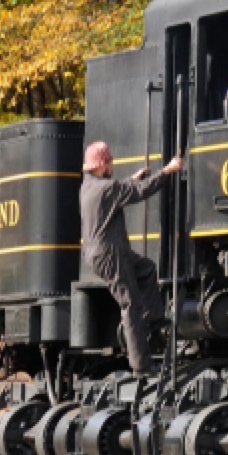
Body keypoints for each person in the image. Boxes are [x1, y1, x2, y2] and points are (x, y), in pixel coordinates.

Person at [79, 140, 184, 374]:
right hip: (111, 253)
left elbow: (121, 189)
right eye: (110, 163)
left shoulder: (89, 187)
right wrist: (167, 171)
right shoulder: (107, 189)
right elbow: (138, 192)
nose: (112, 167)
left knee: (146, 269)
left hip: (102, 253)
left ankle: (153, 321)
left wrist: (134, 178)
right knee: (130, 304)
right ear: (103, 165)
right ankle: (142, 366)